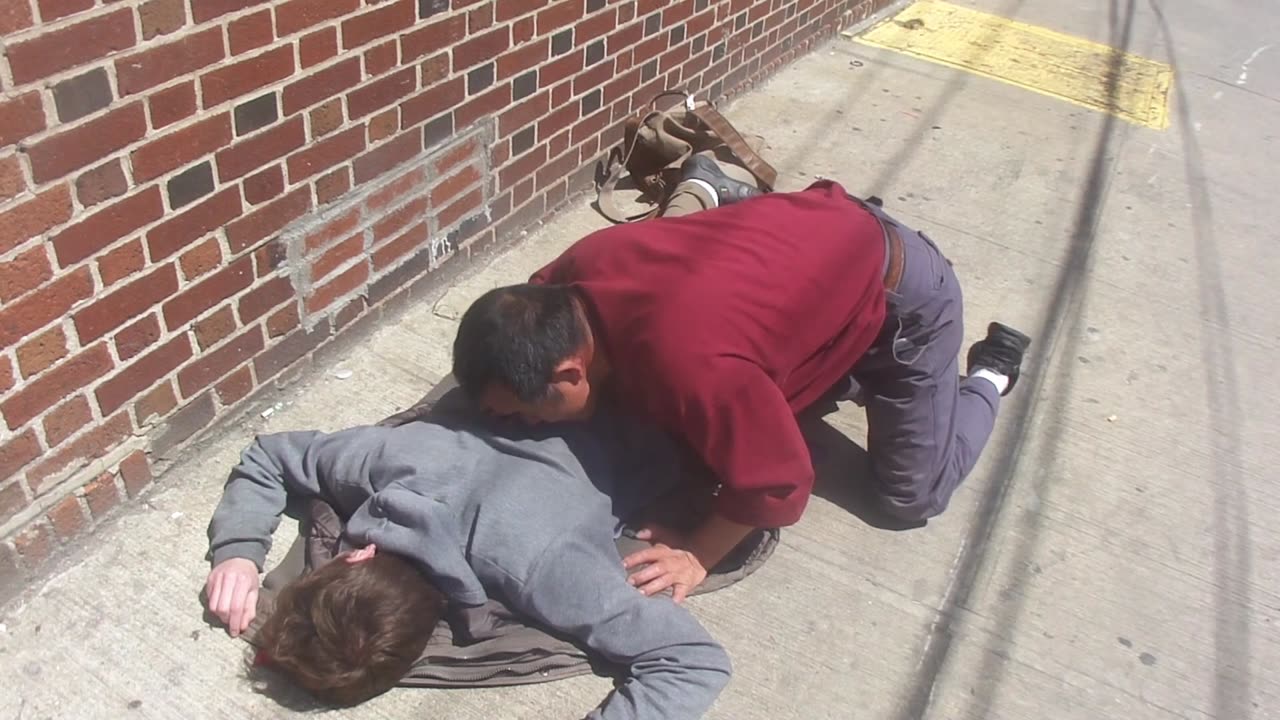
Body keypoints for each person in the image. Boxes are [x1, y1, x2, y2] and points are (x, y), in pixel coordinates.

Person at [450, 162, 1032, 601]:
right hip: (807, 244)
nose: (523, 424)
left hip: (902, 297)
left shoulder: (690, 365)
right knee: (710, 406)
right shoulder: (566, 281)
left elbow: (778, 480)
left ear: (570, 370)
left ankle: (989, 375)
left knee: (911, 497)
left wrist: (697, 552)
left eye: (525, 410)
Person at [203, 409, 731, 718]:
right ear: (360, 554)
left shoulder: (545, 567)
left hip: (662, 414)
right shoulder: (382, 462)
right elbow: (270, 454)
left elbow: (693, 659)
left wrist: (236, 551)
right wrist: (239, 556)